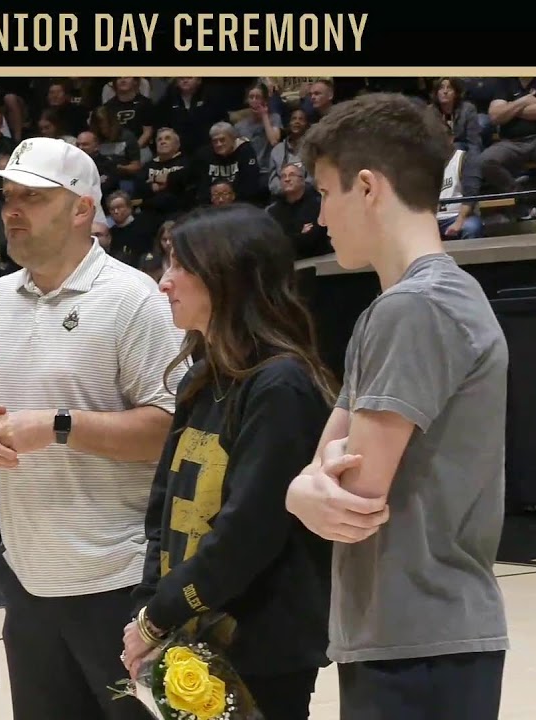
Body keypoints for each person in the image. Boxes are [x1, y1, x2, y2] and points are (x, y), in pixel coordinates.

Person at [284, 93, 510, 719]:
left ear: (366, 187)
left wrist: (300, 491)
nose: (320, 216)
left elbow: (349, 495)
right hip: (417, 638)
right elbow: (320, 466)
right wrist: (304, 487)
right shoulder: (410, 304)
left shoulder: (412, 309)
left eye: (324, 193)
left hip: (419, 640)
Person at [0, 136, 184, 720]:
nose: (12, 211)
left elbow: (169, 431)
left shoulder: (135, 299)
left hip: (121, 579)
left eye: (32, 197)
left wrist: (58, 427)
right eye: (8, 197)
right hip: (27, 578)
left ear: (83, 208)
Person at [121, 204, 334, 719]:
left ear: (227, 275)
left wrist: (158, 616)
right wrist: (147, 610)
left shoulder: (280, 386)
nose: (164, 283)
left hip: (260, 647)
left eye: (180, 266)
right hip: (187, 631)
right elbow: (162, 515)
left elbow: (249, 532)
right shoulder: (200, 382)